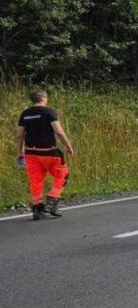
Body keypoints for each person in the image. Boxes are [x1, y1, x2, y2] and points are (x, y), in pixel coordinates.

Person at [16, 90, 75, 219]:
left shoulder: (25, 114)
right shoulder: (49, 112)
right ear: (43, 98)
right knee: (63, 175)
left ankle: (37, 209)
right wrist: (68, 145)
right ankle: (52, 200)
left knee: (35, 180)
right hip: (49, 151)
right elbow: (58, 132)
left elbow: (20, 135)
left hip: (31, 152)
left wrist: (20, 151)